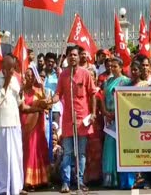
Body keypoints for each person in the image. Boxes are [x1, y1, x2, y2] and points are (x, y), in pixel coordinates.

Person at [45, 45, 97, 193]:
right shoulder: (63, 75)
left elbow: (93, 94)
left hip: (83, 119)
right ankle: (66, 183)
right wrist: (49, 100)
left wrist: (93, 113)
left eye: (75, 55)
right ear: (67, 57)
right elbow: (58, 95)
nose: (73, 57)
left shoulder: (85, 74)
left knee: (81, 153)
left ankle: (80, 181)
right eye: (70, 55)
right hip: (68, 120)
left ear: (79, 57)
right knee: (67, 153)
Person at [0, 54, 24, 195]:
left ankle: (16, 187)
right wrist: (7, 81)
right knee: (5, 157)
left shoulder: (15, 79)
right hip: (3, 124)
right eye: (11, 68)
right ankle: (3, 189)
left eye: (14, 68)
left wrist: (22, 90)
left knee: (16, 156)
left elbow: (19, 102)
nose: (13, 71)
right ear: (4, 67)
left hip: (15, 122)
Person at [102, 57, 134, 189]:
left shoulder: (126, 82)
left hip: (120, 118)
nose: (112, 68)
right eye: (110, 66)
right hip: (109, 118)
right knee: (109, 146)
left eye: (115, 66)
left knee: (118, 147)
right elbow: (103, 98)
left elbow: (127, 100)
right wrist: (105, 112)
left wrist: (116, 114)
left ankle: (120, 179)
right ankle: (110, 179)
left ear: (121, 67)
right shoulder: (107, 81)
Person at [20, 67, 50, 191]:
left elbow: (46, 104)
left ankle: (40, 180)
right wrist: (36, 108)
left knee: (37, 150)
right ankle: (27, 181)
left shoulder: (38, 91)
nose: (30, 78)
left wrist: (42, 88)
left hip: (37, 126)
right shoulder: (20, 91)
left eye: (32, 76)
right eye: (27, 75)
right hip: (25, 125)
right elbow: (22, 107)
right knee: (27, 150)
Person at [84, 68, 104, 184]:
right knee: (86, 150)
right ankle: (87, 177)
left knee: (97, 150)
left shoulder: (98, 92)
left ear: (96, 78)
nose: (90, 78)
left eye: (92, 76)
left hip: (96, 123)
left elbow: (102, 109)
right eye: (88, 76)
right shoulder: (82, 91)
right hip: (85, 123)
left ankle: (97, 177)